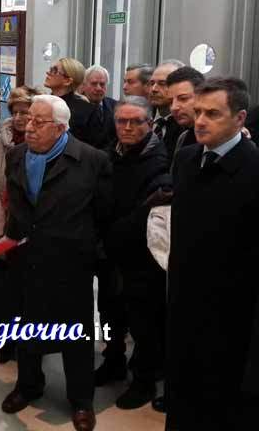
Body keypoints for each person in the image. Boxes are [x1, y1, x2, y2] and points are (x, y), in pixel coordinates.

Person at [2, 95, 112, 431]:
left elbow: (104, 215)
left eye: (39, 122)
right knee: (26, 327)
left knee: (76, 335)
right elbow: (16, 207)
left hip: (71, 263)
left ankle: (81, 400)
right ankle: (28, 385)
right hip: (26, 259)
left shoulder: (92, 160)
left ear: (61, 128)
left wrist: (89, 252)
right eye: (27, 119)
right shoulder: (16, 155)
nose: (28, 127)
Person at [166, 77, 259, 430]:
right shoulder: (186, 158)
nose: (201, 121)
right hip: (183, 303)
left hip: (231, 316)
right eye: (198, 112)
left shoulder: (254, 169)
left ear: (240, 118)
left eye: (213, 114)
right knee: (182, 396)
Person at [102, 96, 170, 409]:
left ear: (149, 124)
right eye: (121, 121)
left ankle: (143, 382)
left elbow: (149, 214)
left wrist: (113, 232)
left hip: (143, 257)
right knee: (110, 313)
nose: (127, 127)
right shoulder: (109, 154)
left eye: (135, 121)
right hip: (109, 253)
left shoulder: (160, 160)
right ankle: (113, 360)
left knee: (144, 322)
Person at [0, 85, 40, 363]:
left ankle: (30, 344)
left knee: (30, 290)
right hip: (3, 227)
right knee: (4, 289)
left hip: (33, 230)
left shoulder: (43, 142)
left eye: (25, 112)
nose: (18, 118)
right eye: (15, 112)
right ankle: (5, 339)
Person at [44, 57, 106, 149]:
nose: (48, 73)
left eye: (55, 70)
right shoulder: (41, 104)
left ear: (67, 81)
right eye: (50, 69)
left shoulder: (88, 111)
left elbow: (93, 148)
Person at [166, 66, 205, 173]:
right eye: (170, 102)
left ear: (202, 96)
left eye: (183, 99)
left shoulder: (220, 137)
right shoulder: (183, 137)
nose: (174, 107)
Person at [148, 60, 184, 157]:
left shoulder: (185, 125)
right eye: (152, 83)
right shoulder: (142, 117)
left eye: (162, 83)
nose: (154, 89)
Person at [82, 64, 118, 152]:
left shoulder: (115, 106)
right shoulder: (76, 107)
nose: (98, 88)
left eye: (102, 84)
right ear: (84, 85)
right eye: (94, 84)